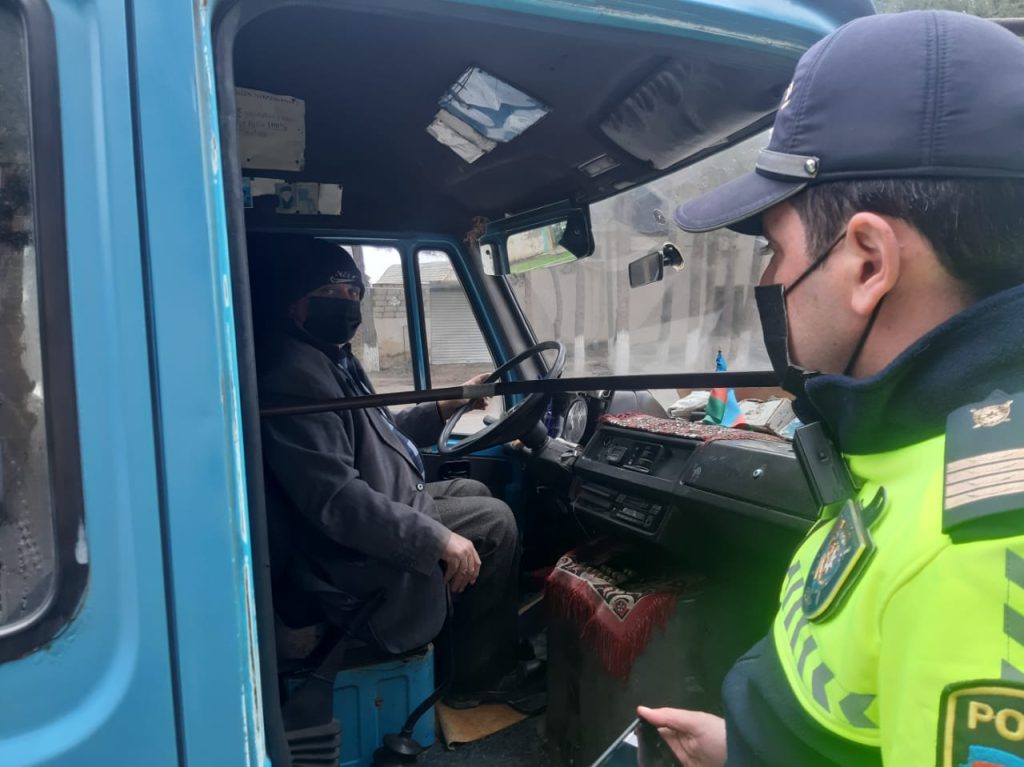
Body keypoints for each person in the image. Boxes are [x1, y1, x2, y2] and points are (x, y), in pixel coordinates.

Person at [638, 11, 1024, 766]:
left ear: (869, 263)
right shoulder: (905, 441)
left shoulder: (977, 544)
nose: (768, 279)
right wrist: (748, 747)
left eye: (775, 249)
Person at [251, 232, 534, 709]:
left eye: (352, 293)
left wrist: (444, 406)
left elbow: (382, 432)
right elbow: (337, 501)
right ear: (294, 302)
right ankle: (480, 676)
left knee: (474, 490)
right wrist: (436, 539)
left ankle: (463, 645)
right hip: (344, 556)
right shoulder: (293, 374)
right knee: (495, 523)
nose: (345, 304)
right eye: (329, 292)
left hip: (383, 496)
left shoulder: (330, 358)